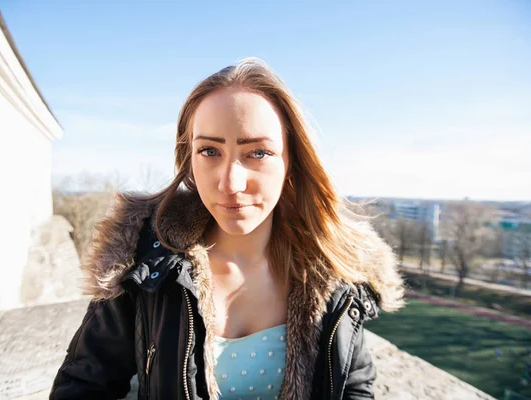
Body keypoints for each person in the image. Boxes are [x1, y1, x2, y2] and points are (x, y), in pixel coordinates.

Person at [50, 57, 404, 400]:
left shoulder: (336, 269)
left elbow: (355, 387)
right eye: (209, 151)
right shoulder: (144, 260)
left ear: (291, 162)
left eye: (258, 153)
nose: (231, 183)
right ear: (188, 159)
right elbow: (84, 385)